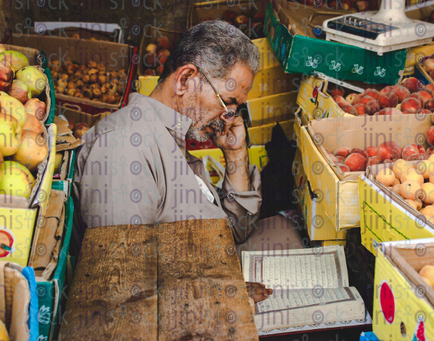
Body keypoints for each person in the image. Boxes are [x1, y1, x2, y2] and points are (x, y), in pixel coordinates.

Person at [72, 20, 304, 303]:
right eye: (226, 102)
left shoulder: (173, 140)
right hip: (179, 312)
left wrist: (235, 155)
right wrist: (220, 296)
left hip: (208, 277)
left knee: (286, 230)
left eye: (236, 109)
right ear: (184, 80)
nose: (228, 118)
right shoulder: (124, 148)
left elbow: (234, 231)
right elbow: (122, 288)